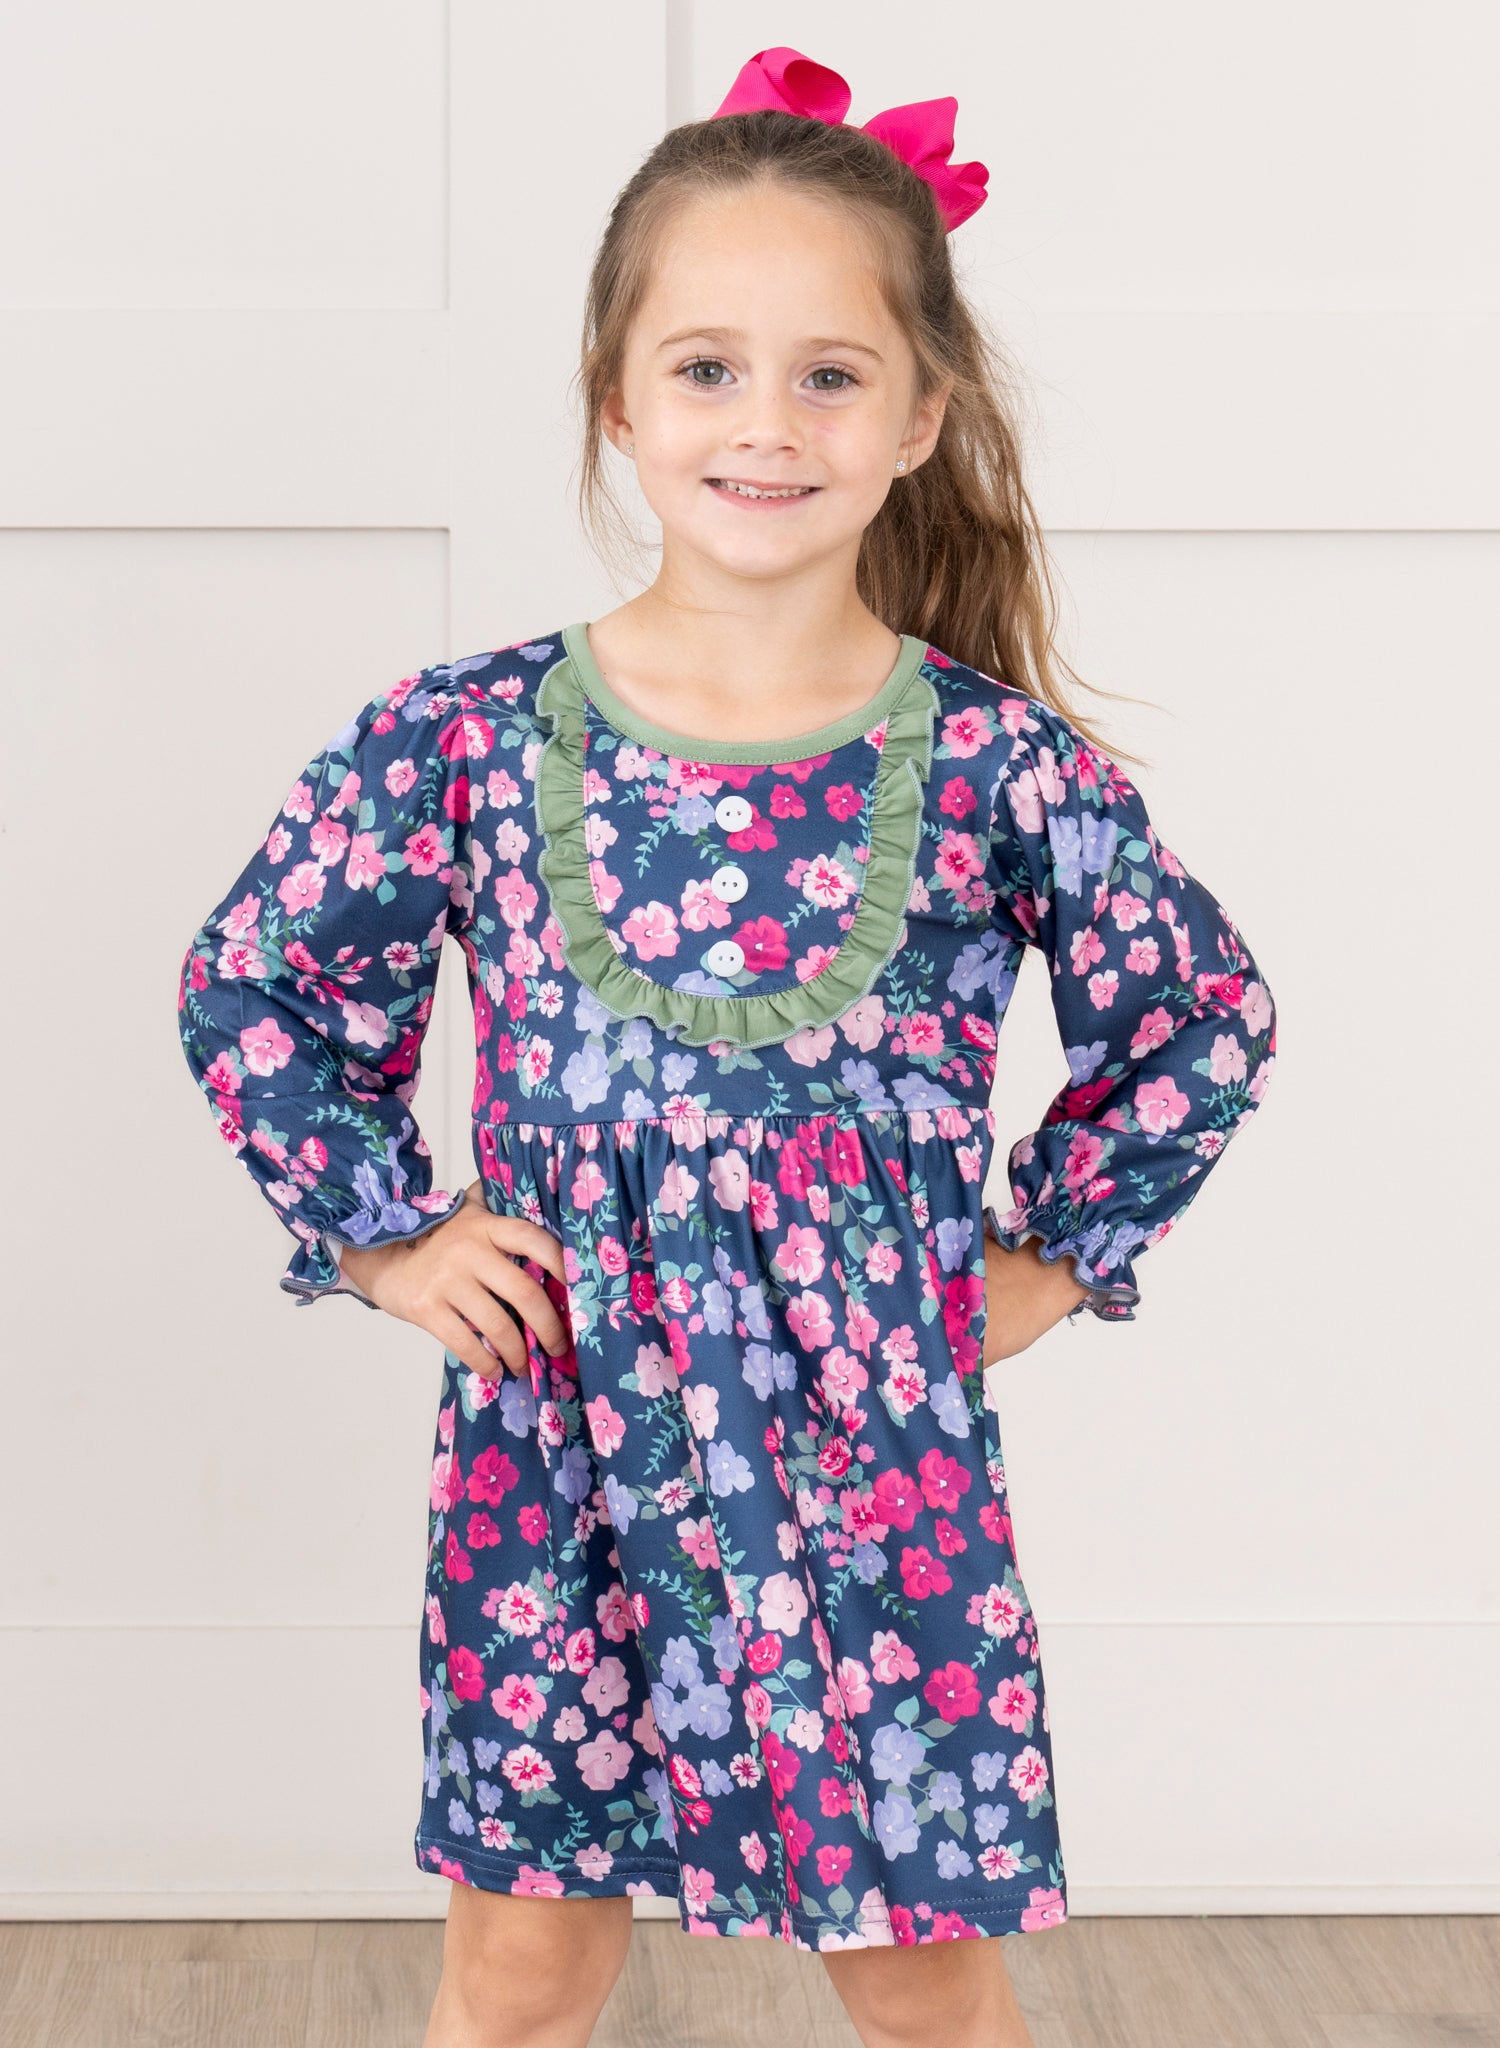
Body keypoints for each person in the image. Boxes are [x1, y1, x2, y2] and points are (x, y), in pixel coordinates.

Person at [176, 44, 1279, 2048]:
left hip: (873, 1478)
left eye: (829, 374)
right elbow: (261, 982)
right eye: (706, 368)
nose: (765, 423)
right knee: (521, 1966)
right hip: (559, 1464)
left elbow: (1199, 1013)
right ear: (619, 398)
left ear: (919, 415)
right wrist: (385, 1232)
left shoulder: (998, 765)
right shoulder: (467, 735)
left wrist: (1052, 1256)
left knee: (920, 1977)